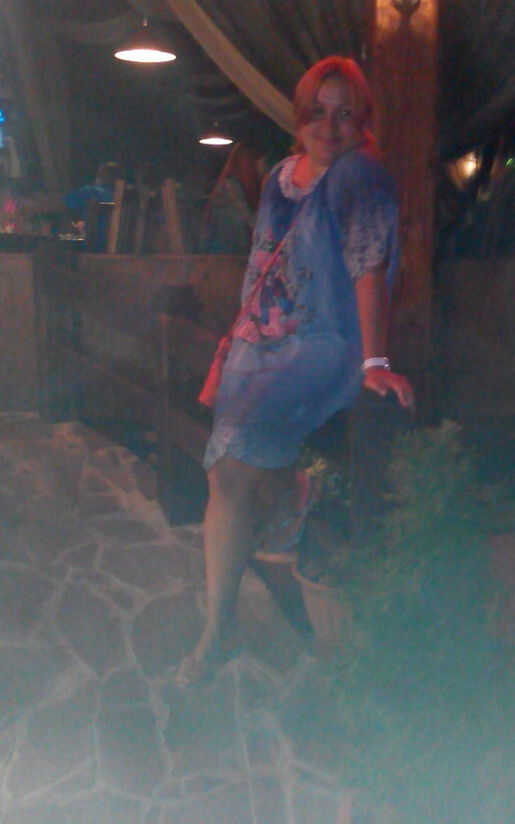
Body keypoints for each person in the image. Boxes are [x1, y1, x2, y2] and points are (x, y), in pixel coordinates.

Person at [178, 56, 415, 682]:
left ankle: (220, 629)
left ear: (362, 122)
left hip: (319, 346)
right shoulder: (282, 177)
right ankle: (273, 542)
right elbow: (262, 267)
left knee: (231, 473)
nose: (328, 127)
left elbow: (370, 267)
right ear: (299, 117)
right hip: (260, 345)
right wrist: (239, 339)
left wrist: (376, 361)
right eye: (317, 112)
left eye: (344, 115)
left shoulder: (361, 176)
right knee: (230, 478)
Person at [198, 142, 265, 253]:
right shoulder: (229, 187)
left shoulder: (253, 189)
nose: (256, 167)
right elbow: (250, 220)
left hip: (240, 253)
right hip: (223, 253)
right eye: (248, 160)